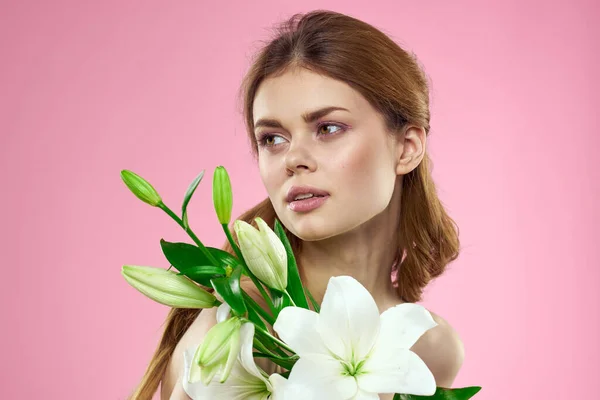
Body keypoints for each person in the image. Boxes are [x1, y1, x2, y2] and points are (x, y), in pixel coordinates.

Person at [128, 9, 465, 400]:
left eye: (328, 128)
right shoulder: (244, 327)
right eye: (272, 138)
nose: (293, 159)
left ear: (406, 148)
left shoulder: (432, 347)